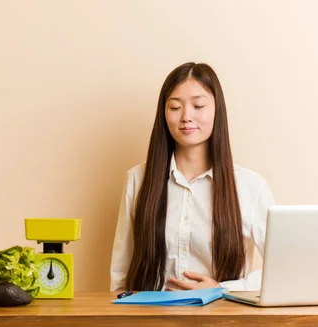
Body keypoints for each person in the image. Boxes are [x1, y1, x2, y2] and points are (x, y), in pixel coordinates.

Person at [109, 62, 276, 292]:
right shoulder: (138, 179)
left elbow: (282, 271)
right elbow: (121, 272)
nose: (187, 116)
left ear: (217, 110)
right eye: (175, 107)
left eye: (198, 105)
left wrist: (222, 288)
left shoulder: (250, 186)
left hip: (224, 321)